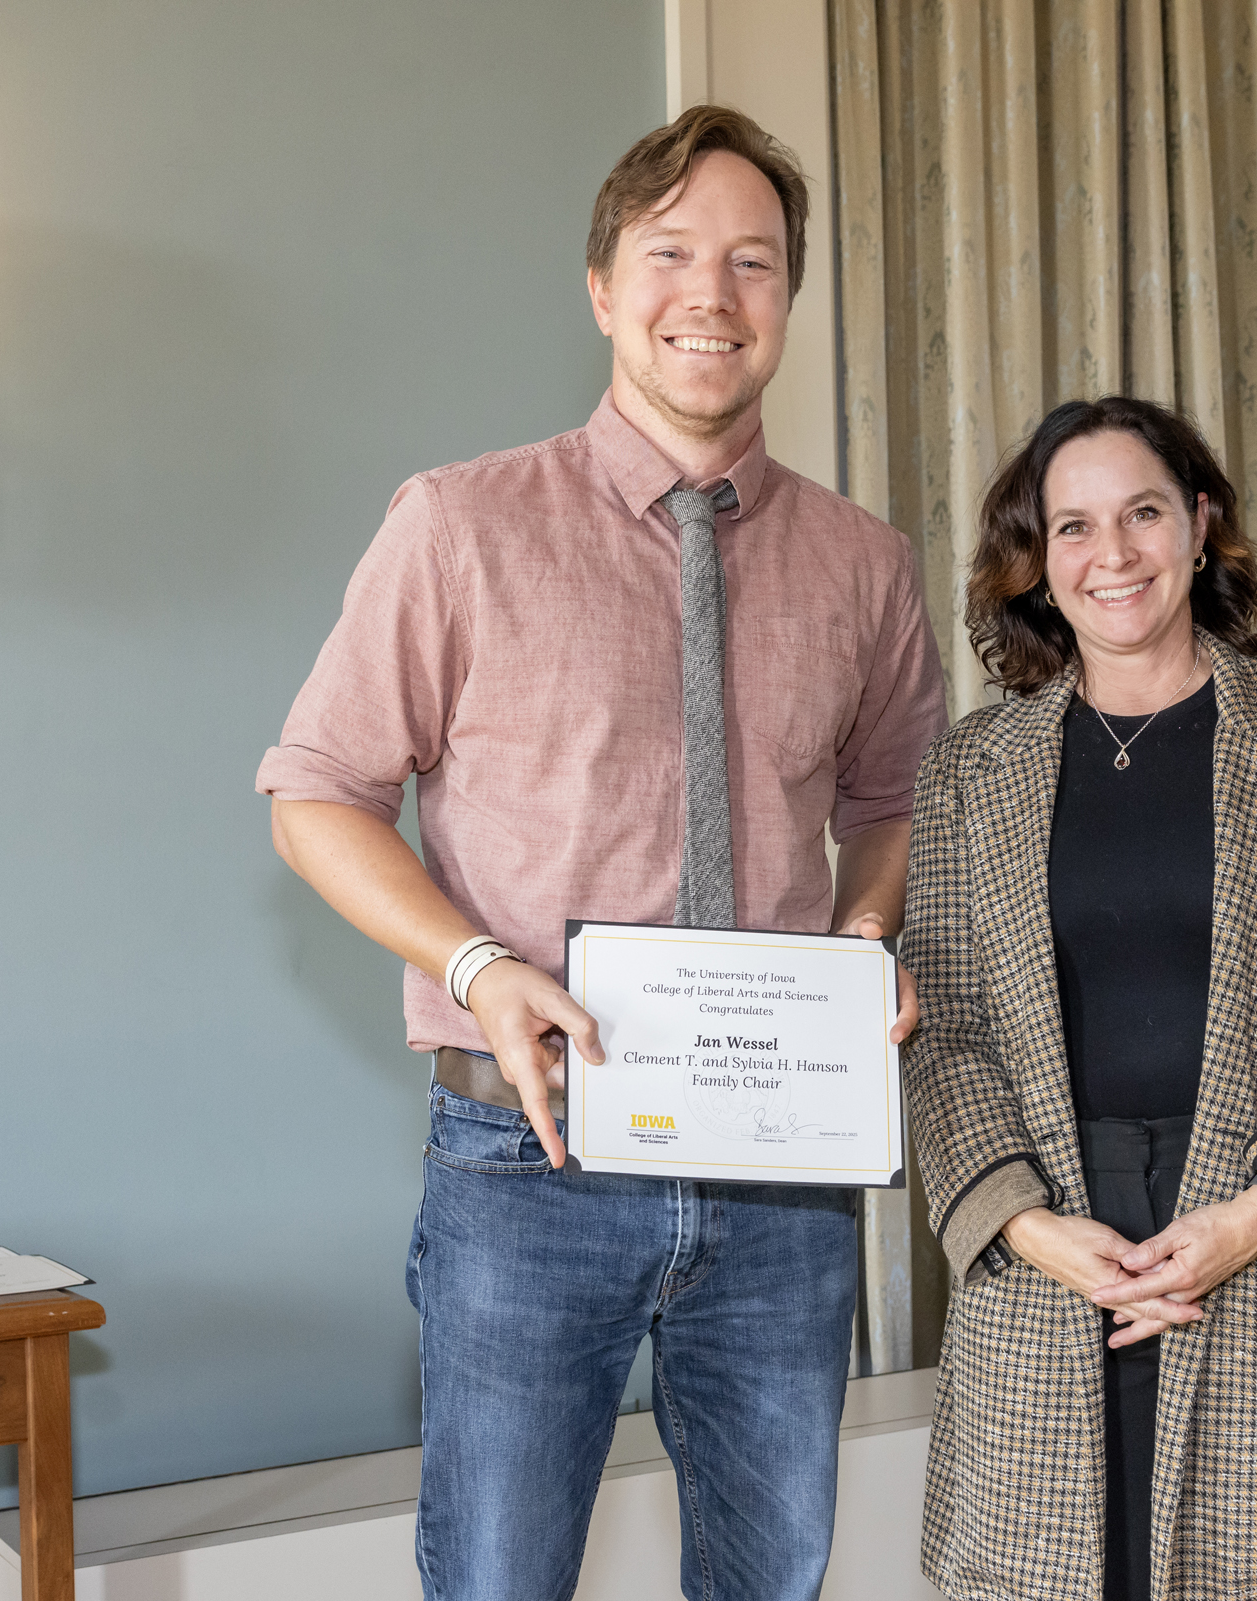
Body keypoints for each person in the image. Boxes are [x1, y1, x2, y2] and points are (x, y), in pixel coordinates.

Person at [256, 104, 946, 1601]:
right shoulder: (458, 526)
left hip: (780, 1174)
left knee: (773, 1580)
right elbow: (312, 789)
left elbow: (895, 805)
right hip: (527, 1158)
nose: (713, 294)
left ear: (787, 302)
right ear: (600, 286)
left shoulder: (868, 566)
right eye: (673, 253)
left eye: (754, 263)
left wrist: (866, 931)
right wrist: (479, 965)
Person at [900, 395, 1257, 1600]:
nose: (1116, 553)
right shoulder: (969, 774)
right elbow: (946, 1031)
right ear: (1039, 561)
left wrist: (1252, 1215)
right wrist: (1031, 1226)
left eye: (1144, 512)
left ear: (1200, 526)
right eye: (1076, 526)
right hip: (1053, 1244)